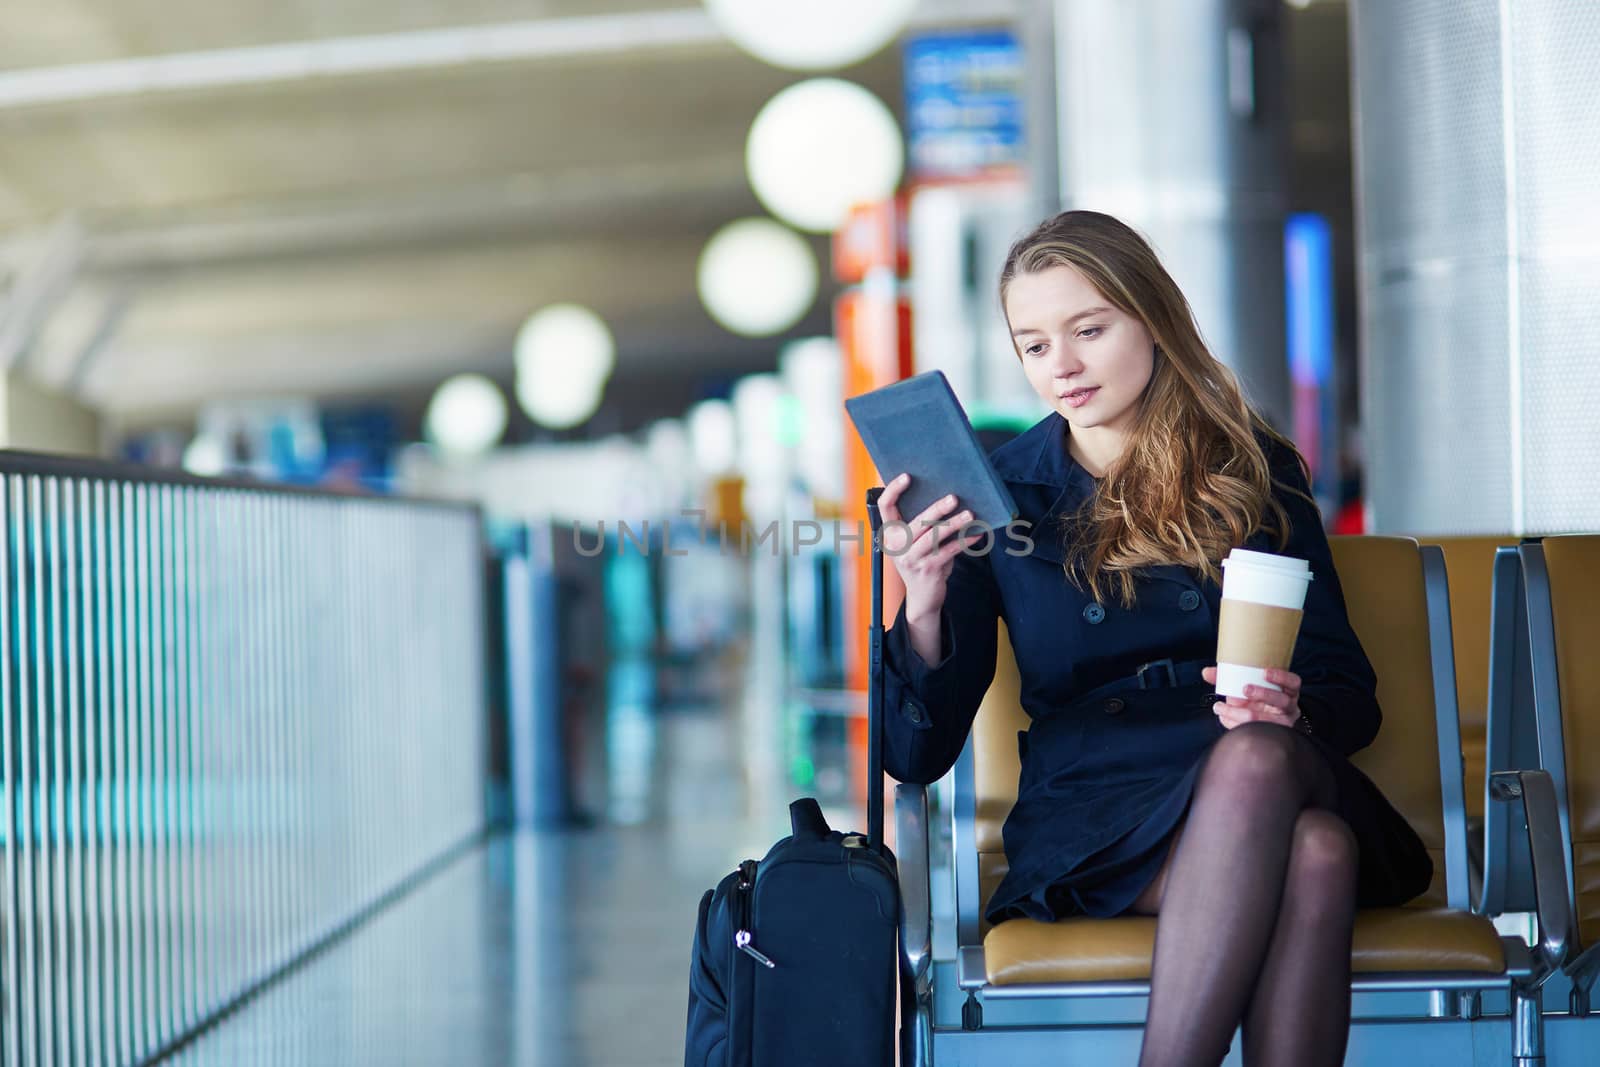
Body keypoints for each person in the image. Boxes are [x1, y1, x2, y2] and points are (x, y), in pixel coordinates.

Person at [876, 211, 1432, 1067]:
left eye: (1088, 330)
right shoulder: (1000, 496)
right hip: (1097, 809)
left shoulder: (1252, 468)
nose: (1060, 365)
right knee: (1316, 858)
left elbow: (1347, 693)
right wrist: (921, 601)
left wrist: (1293, 705)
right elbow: (914, 753)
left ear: (1153, 318)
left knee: (1253, 754)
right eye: (1033, 344)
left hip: (1267, 760)